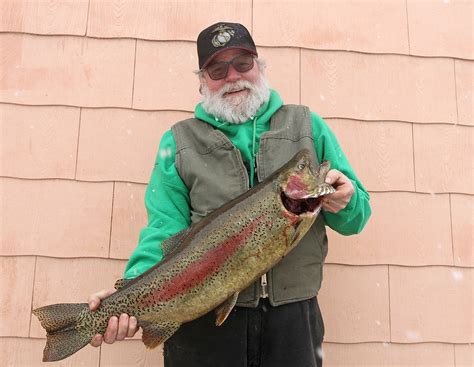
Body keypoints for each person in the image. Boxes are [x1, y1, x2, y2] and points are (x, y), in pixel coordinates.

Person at [88, 22, 371, 367]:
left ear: (260, 66)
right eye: (217, 69)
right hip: (203, 319)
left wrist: (347, 201)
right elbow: (164, 231)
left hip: (293, 318)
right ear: (203, 81)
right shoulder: (179, 142)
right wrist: (130, 291)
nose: (232, 76)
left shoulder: (308, 127)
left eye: (242, 63)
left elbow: (355, 218)